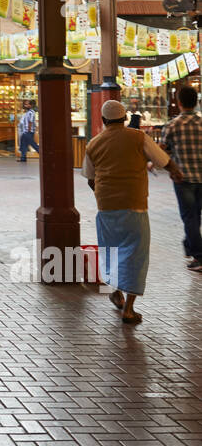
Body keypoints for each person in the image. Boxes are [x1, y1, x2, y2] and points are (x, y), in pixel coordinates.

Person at [83, 99, 183, 326]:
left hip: (106, 209)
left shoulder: (93, 144)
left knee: (113, 253)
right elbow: (162, 159)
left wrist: (104, 194)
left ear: (103, 120)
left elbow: (90, 178)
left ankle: (115, 292)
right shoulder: (138, 137)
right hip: (134, 206)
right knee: (135, 256)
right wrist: (175, 172)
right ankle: (128, 309)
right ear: (125, 118)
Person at [162, 84, 202, 273]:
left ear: (179, 103)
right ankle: (191, 245)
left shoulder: (172, 125)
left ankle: (198, 255)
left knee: (189, 217)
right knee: (196, 216)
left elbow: (163, 151)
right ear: (196, 102)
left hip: (182, 178)